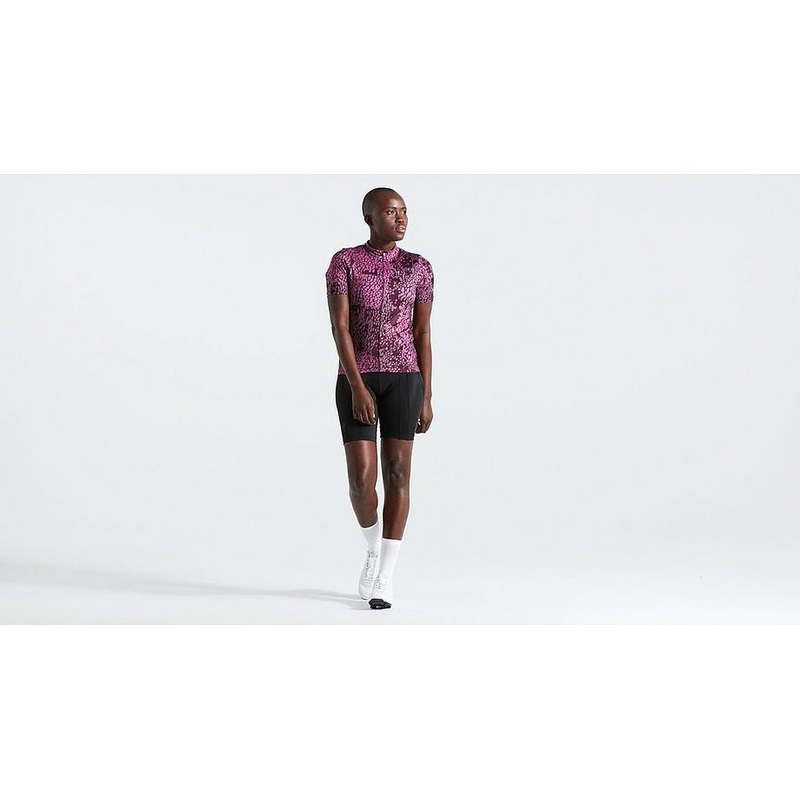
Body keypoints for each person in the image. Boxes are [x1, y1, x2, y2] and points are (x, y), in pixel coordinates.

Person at [325, 187, 434, 609]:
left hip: (406, 377)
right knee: (361, 481)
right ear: (370, 217)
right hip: (359, 376)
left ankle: (385, 574)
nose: (401, 218)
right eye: (391, 212)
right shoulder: (345, 262)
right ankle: (373, 546)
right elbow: (340, 328)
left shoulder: (419, 267)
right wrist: (356, 385)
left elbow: (422, 332)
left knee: (398, 474)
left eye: (404, 211)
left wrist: (427, 394)